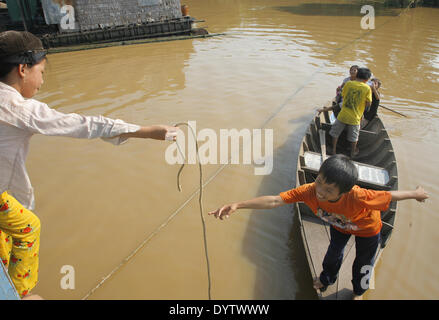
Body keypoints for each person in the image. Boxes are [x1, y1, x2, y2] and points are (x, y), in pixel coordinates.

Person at [0, 30, 179, 299]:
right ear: (23, 69)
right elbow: (82, 124)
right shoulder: (18, 108)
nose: (42, 82)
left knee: (8, 230)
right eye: (42, 72)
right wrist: (143, 131)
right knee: (28, 226)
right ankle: (21, 294)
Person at [209, 154, 429, 300]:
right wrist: (238, 204)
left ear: (344, 192)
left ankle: (359, 291)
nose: (320, 192)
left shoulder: (359, 196)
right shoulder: (308, 191)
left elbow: (391, 196)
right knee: (333, 254)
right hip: (340, 227)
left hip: (367, 230)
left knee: (364, 264)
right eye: (319, 182)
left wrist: (417, 194)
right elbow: (275, 200)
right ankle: (326, 279)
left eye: (328, 190)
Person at [319, 67, 372, 158]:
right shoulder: (367, 88)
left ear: (357, 75)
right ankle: (352, 154)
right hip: (355, 118)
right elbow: (368, 103)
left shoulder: (348, 84)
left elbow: (343, 96)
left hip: (343, 115)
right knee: (354, 138)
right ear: (366, 80)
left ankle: (334, 150)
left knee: (335, 133)